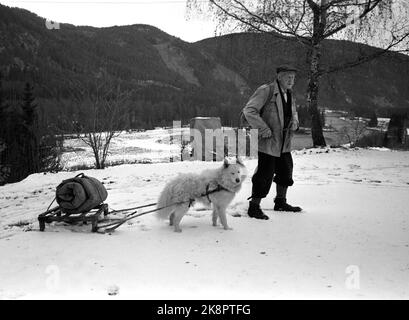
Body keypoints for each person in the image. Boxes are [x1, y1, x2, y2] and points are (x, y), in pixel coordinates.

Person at [243, 64, 302, 220]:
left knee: (286, 171)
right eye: (288, 77)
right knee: (264, 174)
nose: (291, 80)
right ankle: (254, 207)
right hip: (268, 141)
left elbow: (293, 112)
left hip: (284, 142)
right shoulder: (266, 90)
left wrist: (295, 122)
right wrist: (263, 128)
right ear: (279, 77)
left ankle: (280, 202)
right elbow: (249, 110)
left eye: (293, 77)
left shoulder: (290, 94)